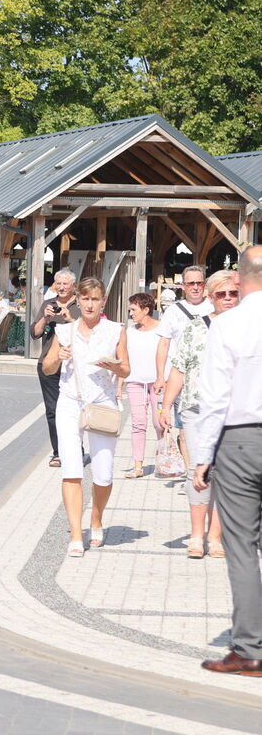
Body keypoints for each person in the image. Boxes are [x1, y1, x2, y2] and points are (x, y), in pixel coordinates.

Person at [191, 246, 262, 676]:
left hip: (241, 439)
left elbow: (214, 397)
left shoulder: (228, 324)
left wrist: (202, 455)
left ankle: (249, 646)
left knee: (240, 546)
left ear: (238, 280)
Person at [41, 277, 129, 558]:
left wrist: (114, 366)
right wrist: (59, 357)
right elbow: (47, 368)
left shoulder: (116, 330)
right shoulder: (64, 332)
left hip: (103, 402)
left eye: (95, 299)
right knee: (72, 470)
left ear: (103, 301)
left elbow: (127, 370)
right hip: (70, 402)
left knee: (103, 473)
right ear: (77, 301)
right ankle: (76, 534)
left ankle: (97, 518)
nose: (90, 304)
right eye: (85, 299)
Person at [158, 270, 238, 559]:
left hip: (234, 411)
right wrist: (166, 405)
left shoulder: (249, 328)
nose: (228, 299)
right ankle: (196, 534)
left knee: (224, 474)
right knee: (199, 470)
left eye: (233, 294)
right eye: (222, 294)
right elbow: (179, 368)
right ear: (211, 296)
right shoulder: (196, 328)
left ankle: (215, 536)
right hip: (196, 408)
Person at [154, 264, 211, 469]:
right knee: (185, 429)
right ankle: (191, 471)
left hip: (210, 378)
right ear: (183, 286)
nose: (195, 287)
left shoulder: (214, 306)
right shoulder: (173, 311)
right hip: (181, 378)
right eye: (191, 283)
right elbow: (163, 344)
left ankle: (206, 468)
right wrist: (160, 376)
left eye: (199, 283)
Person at [31, 268, 81, 468]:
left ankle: (77, 449)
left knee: (75, 409)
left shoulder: (81, 304)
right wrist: (44, 317)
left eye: (65, 284)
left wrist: (70, 318)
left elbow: (89, 331)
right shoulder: (48, 304)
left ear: (73, 286)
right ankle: (58, 452)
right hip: (49, 362)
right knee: (53, 410)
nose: (61, 287)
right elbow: (35, 333)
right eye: (58, 283)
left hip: (74, 363)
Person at [118, 293, 161, 480]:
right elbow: (123, 360)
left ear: (146, 310)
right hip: (135, 381)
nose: (131, 313)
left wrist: (164, 379)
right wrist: (119, 385)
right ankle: (138, 466)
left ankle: (163, 462)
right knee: (138, 423)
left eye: (134, 310)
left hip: (158, 383)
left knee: (160, 424)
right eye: (130, 309)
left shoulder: (162, 330)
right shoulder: (129, 331)